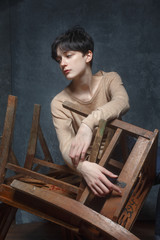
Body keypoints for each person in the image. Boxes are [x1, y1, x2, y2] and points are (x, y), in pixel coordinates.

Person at [51, 26, 130, 197]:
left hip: (125, 149)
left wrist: (88, 124)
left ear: (88, 55)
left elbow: (122, 102)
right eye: (59, 59)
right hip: (95, 162)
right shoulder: (58, 102)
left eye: (68, 56)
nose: (62, 63)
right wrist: (83, 167)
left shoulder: (110, 79)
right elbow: (65, 146)